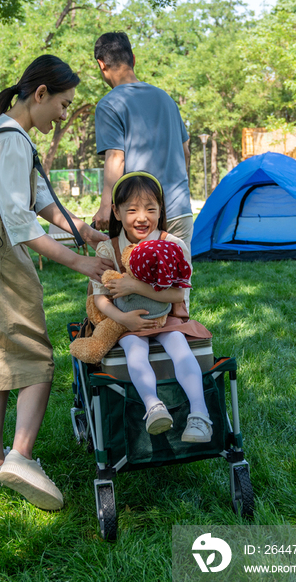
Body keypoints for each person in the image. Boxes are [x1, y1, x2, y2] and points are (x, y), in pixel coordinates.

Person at [0, 54, 113, 511]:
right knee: (37, 356)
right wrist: (78, 262)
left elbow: (35, 200)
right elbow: (21, 223)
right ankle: (22, 458)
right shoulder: (13, 140)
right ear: (40, 95)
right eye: (63, 104)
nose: (63, 114)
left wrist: (80, 230)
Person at [91, 171, 213, 443]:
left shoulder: (172, 245)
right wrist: (125, 319)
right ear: (117, 212)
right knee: (135, 350)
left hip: (166, 318)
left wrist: (134, 287)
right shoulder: (107, 249)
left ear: (161, 210)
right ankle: (153, 405)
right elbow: (99, 298)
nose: (142, 217)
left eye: (150, 209)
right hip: (127, 322)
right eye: (132, 209)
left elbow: (177, 295)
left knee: (179, 347)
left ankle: (200, 414)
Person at [92, 32, 193, 250]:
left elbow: (116, 158)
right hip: (180, 210)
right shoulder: (167, 100)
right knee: (179, 282)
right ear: (133, 59)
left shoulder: (109, 104)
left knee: (137, 283)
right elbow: (186, 152)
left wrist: (106, 207)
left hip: (141, 217)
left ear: (101, 65)